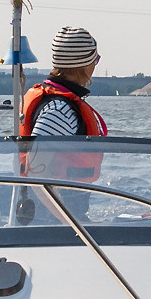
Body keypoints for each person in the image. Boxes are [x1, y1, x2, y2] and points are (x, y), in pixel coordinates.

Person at [19, 26, 107, 190]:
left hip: (63, 208)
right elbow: (36, 173)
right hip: (53, 211)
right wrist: (61, 215)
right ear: (84, 64)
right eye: (95, 60)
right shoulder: (59, 111)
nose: (95, 66)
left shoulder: (60, 105)